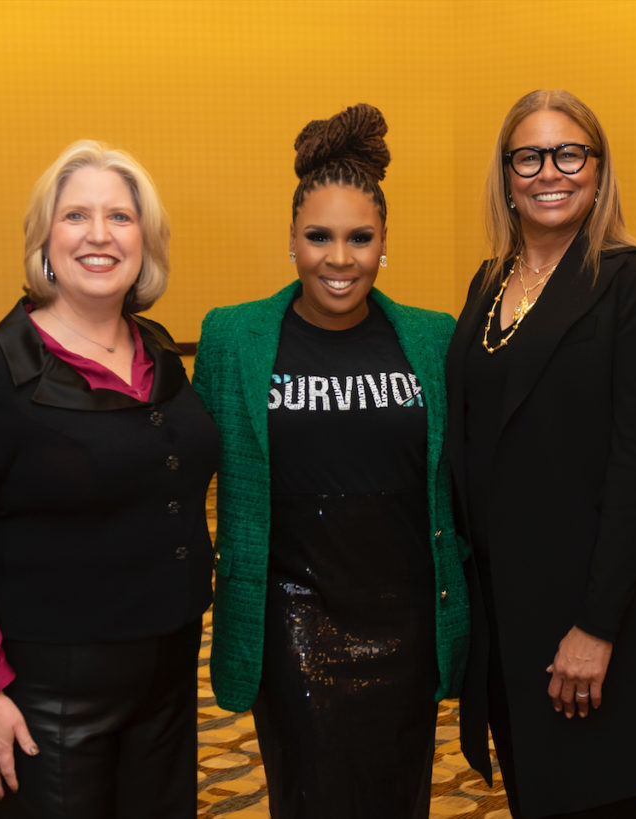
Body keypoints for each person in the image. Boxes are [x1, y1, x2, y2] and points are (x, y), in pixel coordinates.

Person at [0, 140, 219, 817]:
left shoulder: (161, 351)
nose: (99, 234)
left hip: (168, 673)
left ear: (145, 241)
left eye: (120, 217)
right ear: (45, 240)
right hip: (48, 690)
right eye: (76, 216)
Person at [193, 103, 469, 819]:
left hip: (407, 627)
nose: (339, 259)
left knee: (400, 795)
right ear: (291, 240)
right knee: (309, 796)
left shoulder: (433, 340)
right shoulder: (233, 338)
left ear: (385, 243)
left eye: (359, 238)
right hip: (291, 624)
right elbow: (181, 471)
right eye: (318, 237)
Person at [447, 89, 636, 818]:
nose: (550, 171)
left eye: (569, 152)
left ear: (597, 166)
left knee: (590, 802)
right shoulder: (487, 284)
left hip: (584, 611)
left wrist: (597, 626)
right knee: (533, 798)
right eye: (530, 156)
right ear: (507, 174)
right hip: (502, 611)